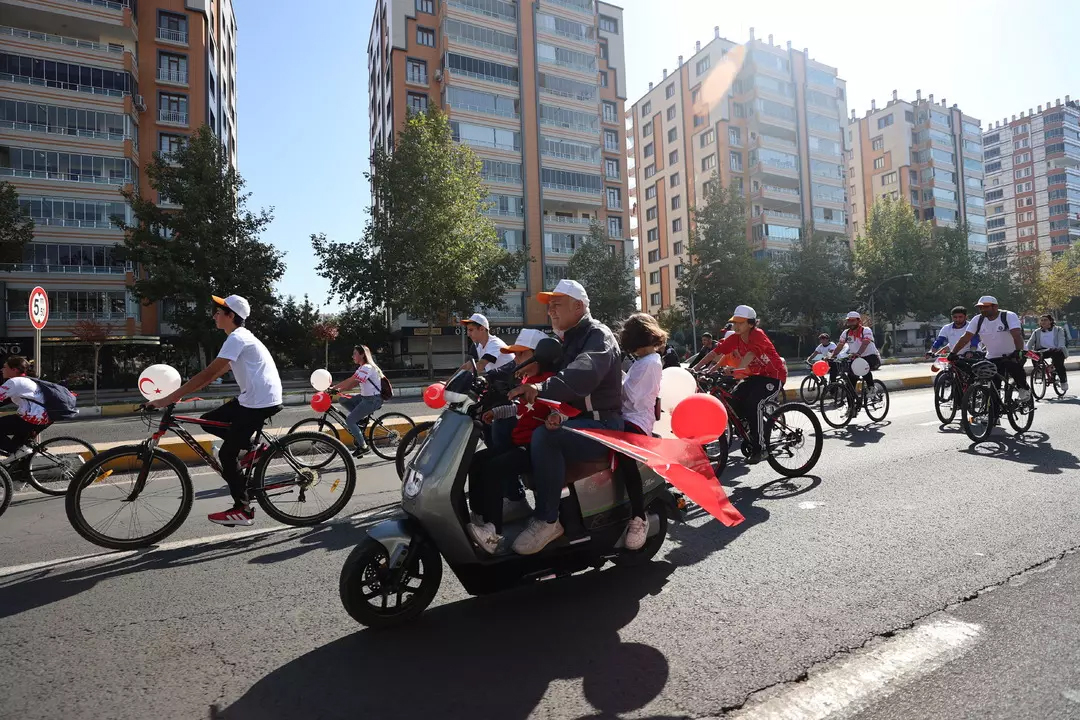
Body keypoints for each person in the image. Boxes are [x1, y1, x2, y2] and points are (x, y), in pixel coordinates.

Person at [507, 279, 624, 555]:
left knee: (545, 438)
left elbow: (582, 373)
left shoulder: (598, 336)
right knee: (511, 431)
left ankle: (548, 520)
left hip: (602, 425)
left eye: (557, 305)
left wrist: (540, 387)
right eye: (550, 307)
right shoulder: (569, 339)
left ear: (579, 306)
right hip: (578, 421)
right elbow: (549, 367)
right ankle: (511, 500)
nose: (552, 312)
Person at [150, 294, 283, 527]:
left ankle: (242, 509)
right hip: (253, 398)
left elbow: (208, 374)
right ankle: (252, 448)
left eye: (219, 312)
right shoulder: (238, 337)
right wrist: (181, 394)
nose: (214, 315)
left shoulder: (237, 338)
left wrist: (168, 399)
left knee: (226, 455)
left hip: (258, 401)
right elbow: (215, 373)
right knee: (209, 421)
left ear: (231, 316)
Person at [467, 329, 556, 553]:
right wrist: (496, 413)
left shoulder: (547, 384)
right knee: (476, 460)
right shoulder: (526, 381)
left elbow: (557, 412)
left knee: (494, 469)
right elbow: (518, 411)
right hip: (518, 443)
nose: (515, 360)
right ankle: (480, 517)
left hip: (532, 449)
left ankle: (493, 535)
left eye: (521, 355)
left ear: (539, 356)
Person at [711, 305, 787, 463]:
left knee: (754, 403)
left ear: (751, 324)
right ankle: (754, 426)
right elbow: (717, 351)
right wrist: (695, 369)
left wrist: (735, 370)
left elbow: (751, 354)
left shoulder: (757, 335)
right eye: (735, 323)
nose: (736, 326)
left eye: (740, 323)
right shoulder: (735, 338)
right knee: (733, 399)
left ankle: (761, 448)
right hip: (755, 377)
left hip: (774, 377)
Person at [618, 313, 666, 550]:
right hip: (628, 415)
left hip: (635, 420)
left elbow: (632, 397)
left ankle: (639, 515)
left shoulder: (649, 363)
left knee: (624, 456)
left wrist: (613, 380)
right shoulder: (644, 361)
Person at [950, 295, 1030, 402]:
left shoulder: (1008, 316)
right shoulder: (978, 320)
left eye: (986, 307)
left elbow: (1016, 334)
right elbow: (965, 337)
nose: (983, 309)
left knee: (1013, 366)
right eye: (981, 307)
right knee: (993, 388)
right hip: (993, 356)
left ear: (995, 307)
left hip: (1014, 353)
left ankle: (1024, 389)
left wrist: (1018, 351)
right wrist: (953, 353)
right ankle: (994, 416)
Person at [330, 345, 385, 458]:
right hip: (364, 397)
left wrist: (338, 389)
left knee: (349, 421)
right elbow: (350, 379)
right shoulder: (361, 368)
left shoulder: (368, 368)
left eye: (355, 353)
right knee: (343, 399)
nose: (352, 356)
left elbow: (354, 383)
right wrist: (334, 388)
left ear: (362, 354)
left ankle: (363, 447)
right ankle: (361, 420)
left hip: (373, 400)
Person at [0, 356, 50, 455]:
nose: (2, 370)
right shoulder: (26, 380)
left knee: (16, 450)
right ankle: (20, 464)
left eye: (5, 367)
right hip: (43, 418)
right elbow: (6, 400)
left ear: (14, 369)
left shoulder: (14, 381)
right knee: (19, 449)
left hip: (31, 419)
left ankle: (17, 452)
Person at [831, 311, 881, 397]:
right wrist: (832, 356)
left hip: (871, 357)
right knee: (850, 382)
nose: (851, 323)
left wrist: (858, 353)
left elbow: (865, 343)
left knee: (863, 366)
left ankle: (871, 388)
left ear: (858, 321)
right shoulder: (846, 333)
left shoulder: (866, 330)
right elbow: (840, 345)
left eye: (853, 321)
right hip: (856, 358)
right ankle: (851, 407)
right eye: (849, 321)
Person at [1026, 313, 1069, 393]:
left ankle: (1063, 381)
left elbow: (1061, 342)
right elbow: (1030, 343)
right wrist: (1025, 350)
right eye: (1041, 320)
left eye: (1045, 320)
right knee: (1032, 354)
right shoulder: (1036, 332)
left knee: (1059, 364)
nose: (1043, 322)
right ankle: (1038, 371)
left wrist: (1062, 350)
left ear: (1051, 321)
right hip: (1042, 350)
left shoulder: (1058, 329)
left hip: (1056, 350)